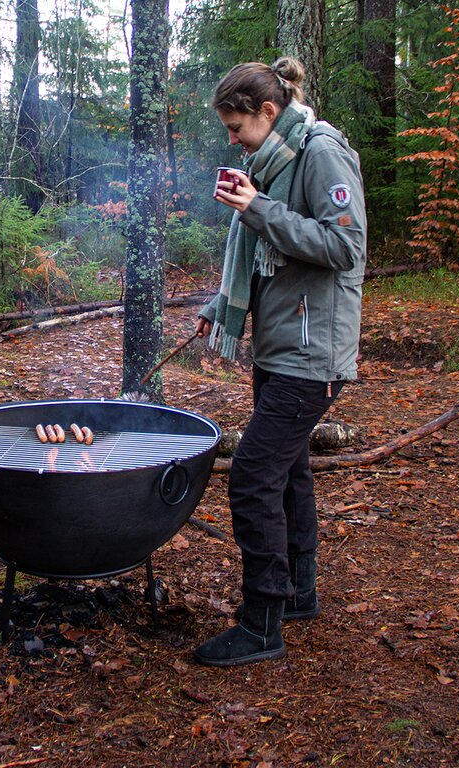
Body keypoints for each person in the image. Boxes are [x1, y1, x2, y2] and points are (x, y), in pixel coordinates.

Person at [192, 57, 367, 667]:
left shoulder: (321, 152)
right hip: (279, 343)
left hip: (312, 352)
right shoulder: (269, 161)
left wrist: (258, 208)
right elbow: (264, 257)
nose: (233, 140)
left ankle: (262, 623)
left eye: (237, 127)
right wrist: (220, 305)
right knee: (289, 472)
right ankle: (298, 593)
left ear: (268, 112)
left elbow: (345, 245)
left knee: (253, 476)